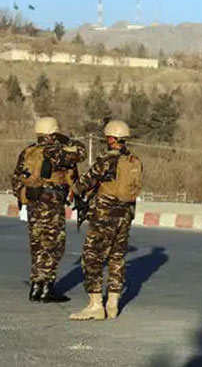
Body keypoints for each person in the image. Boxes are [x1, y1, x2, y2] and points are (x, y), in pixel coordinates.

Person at [69, 120, 143, 321]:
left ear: (110, 138)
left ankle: (95, 305)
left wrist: (73, 190)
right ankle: (113, 304)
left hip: (105, 215)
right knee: (117, 257)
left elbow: (86, 182)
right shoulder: (134, 160)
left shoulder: (106, 159)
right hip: (125, 214)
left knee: (92, 256)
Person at [11, 117, 86, 302]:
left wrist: (24, 197)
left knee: (37, 245)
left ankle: (36, 286)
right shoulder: (56, 152)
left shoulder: (28, 152)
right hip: (51, 204)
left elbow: (16, 180)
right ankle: (47, 288)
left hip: (33, 203)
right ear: (53, 133)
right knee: (53, 246)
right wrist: (66, 140)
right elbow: (81, 153)